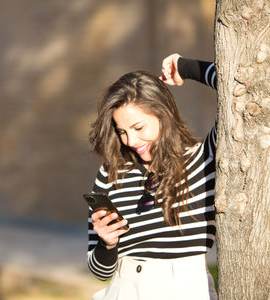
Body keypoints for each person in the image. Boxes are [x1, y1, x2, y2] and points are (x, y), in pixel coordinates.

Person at [86, 53, 218, 300]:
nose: (131, 141)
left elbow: (241, 91)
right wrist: (107, 244)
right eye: (122, 131)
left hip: (186, 291)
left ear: (163, 115)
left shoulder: (204, 159)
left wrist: (185, 68)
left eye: (138, 128)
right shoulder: (110, 174)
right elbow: (98, 271)